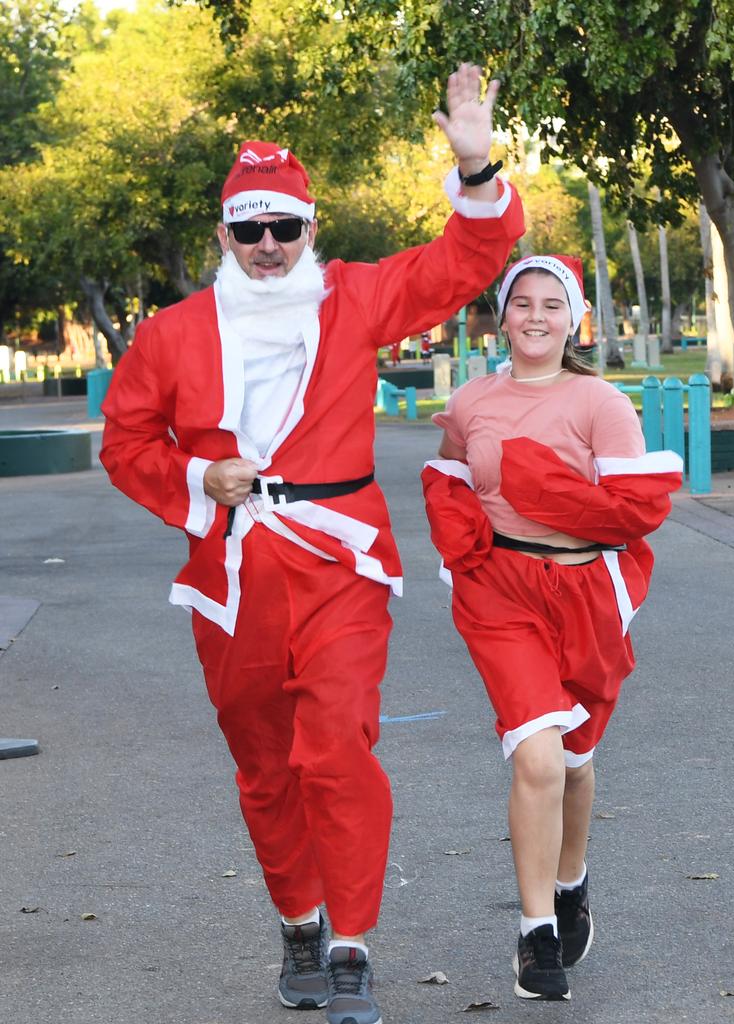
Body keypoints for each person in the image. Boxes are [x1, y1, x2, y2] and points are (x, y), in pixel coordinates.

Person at [100, 64, 524, 1024]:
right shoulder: (171, 334)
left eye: (283, 227)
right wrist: (195, 482)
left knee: (336, 748)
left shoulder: (357, 299)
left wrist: (473, 159)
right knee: (263, 762)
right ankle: (298, 917)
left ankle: (350, 946)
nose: (265, 246)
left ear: (309, 230)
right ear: (222, 234)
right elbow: (125, 443)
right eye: (247, 228)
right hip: (232, 573)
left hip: (340, 562)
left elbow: (471, 255)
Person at [421, 254, 682, 1002]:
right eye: (521, 304)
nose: (535, 317)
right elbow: (449, 479)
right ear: (500, 316)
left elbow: (632, 510)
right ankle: (537, 936)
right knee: (534, 752)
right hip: (501, 592)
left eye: (551, 305)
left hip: (585, 595)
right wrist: (464, 533)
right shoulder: (472, 400)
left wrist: (536, 481)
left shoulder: (600, 402)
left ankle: (572, 881)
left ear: (573, 319)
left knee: (573, 757)